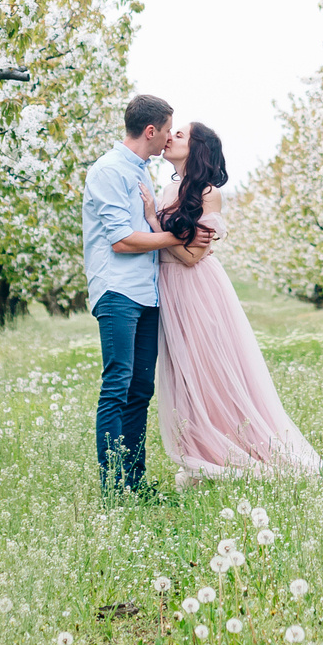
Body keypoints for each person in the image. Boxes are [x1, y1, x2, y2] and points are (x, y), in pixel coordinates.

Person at [153, 120, 323, 486]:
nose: (170, 137)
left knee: (206, 371)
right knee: (182, 375)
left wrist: (152, 226)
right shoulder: (167, 189)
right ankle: (198, 455)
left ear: (197, 147)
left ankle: (227, 452)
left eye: (180, 134)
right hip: (169, 288)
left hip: (196, 288)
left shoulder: (207, 192)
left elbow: (189, 257)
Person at [81, 92, 202, 497]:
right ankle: (114, 489)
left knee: (140, 391)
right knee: (117, 386)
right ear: (150, 131)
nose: (169, 138)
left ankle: (134, 482)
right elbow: (120, 240)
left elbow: (143, 230)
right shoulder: (109, 171)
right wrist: (178, 236)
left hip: (145, 294)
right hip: (117, 291)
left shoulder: (140, 171)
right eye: (166, 130)